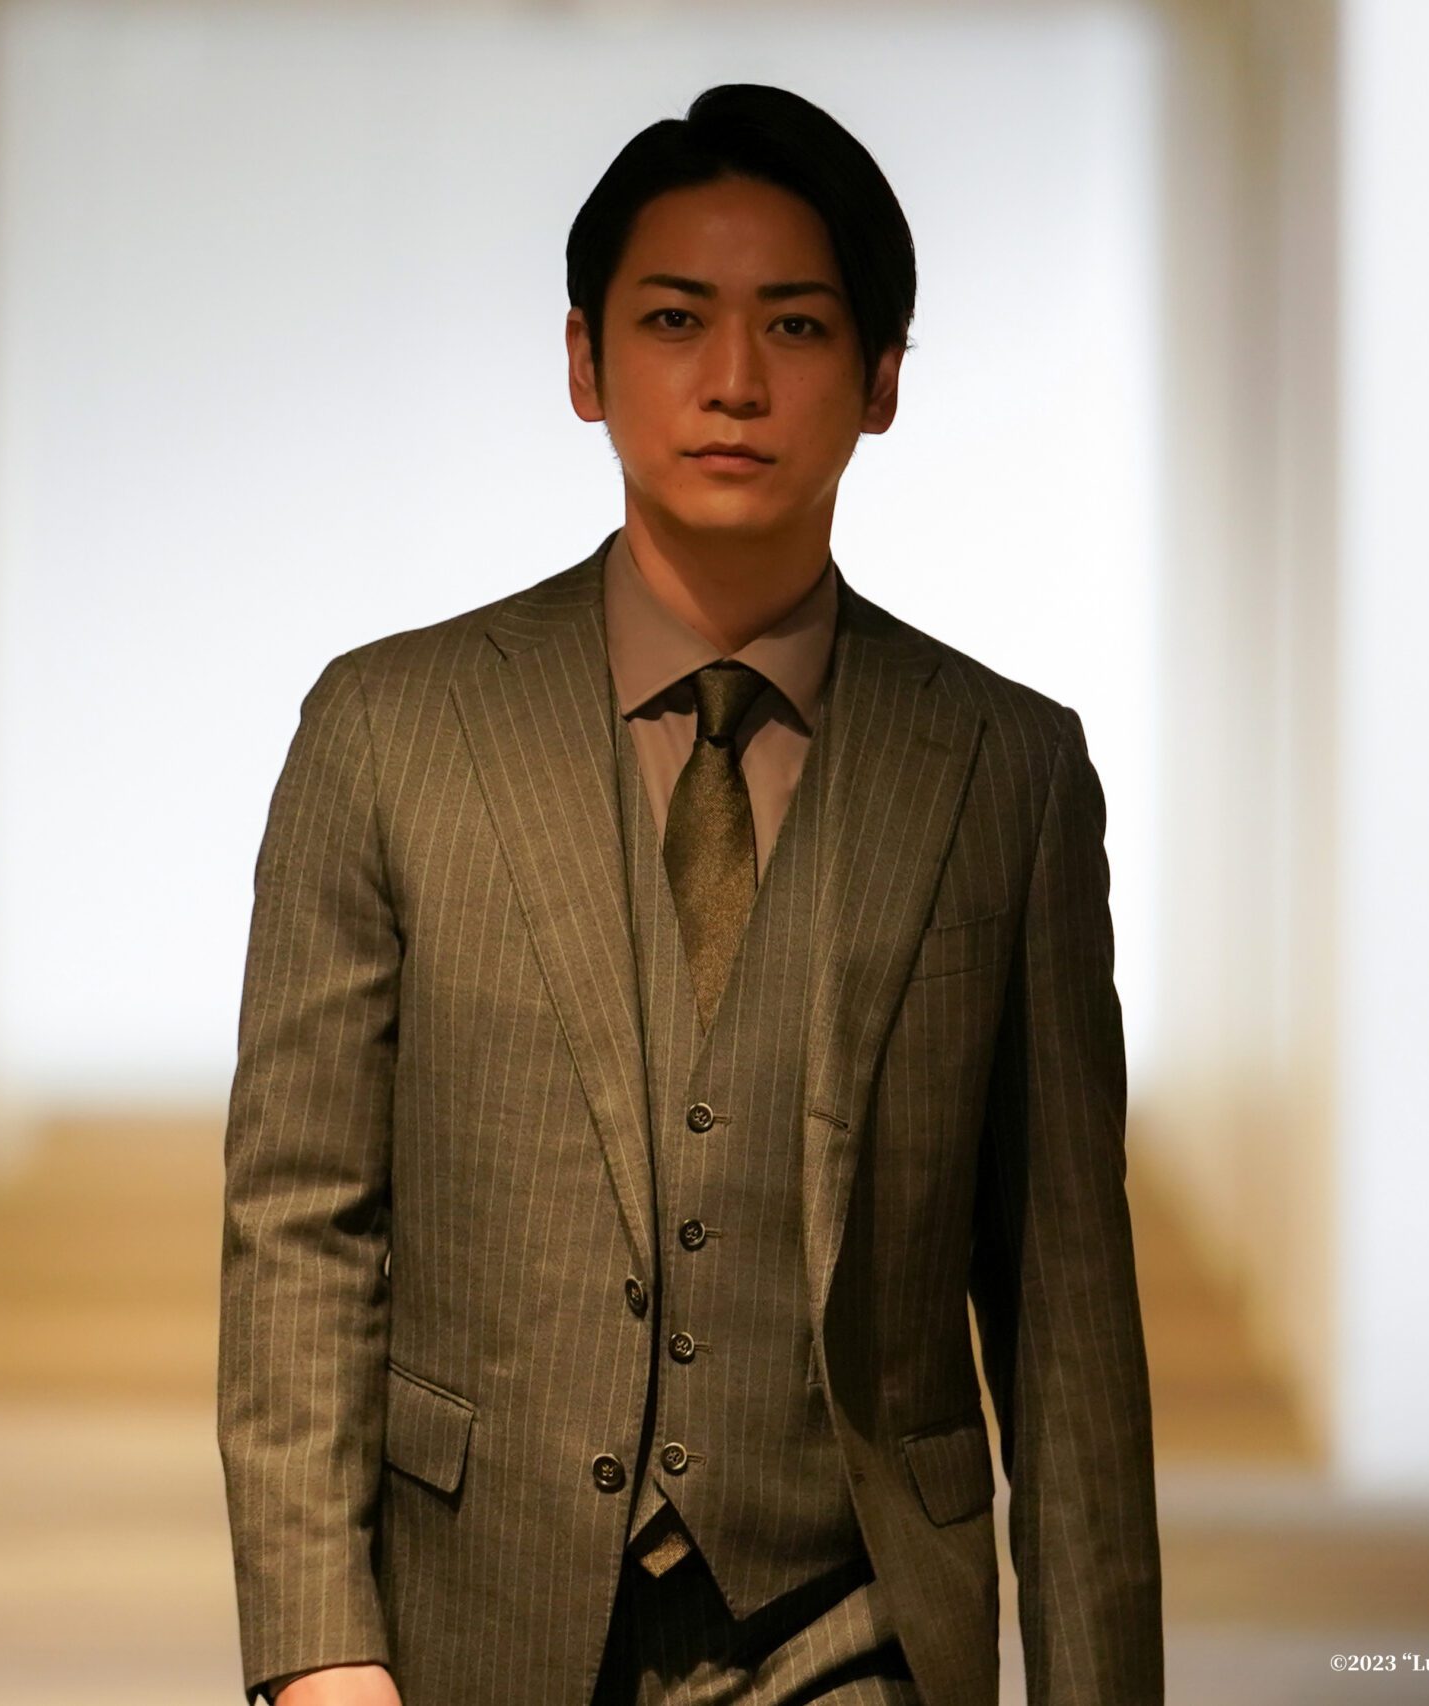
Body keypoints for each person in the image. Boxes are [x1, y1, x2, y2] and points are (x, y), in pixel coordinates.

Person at [218, 82, 1163, 1706]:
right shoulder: (388, 731)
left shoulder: (1007, 770)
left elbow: (1066, 1309)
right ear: (584, 362)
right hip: (477, 1614)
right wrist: (318, 1648)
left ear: (882, 378)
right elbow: (300, 1219)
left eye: (796, 325)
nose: (733, 380)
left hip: (856, 1624)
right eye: (674, 320)